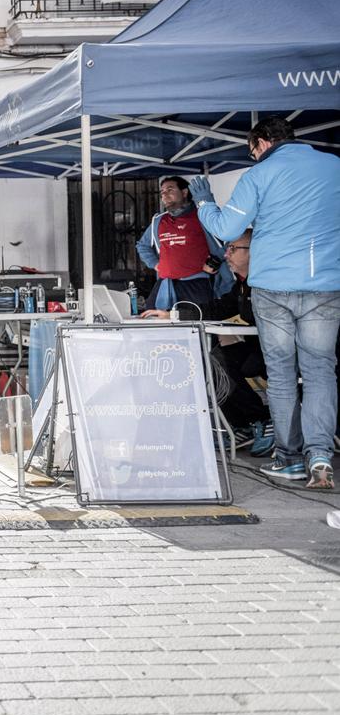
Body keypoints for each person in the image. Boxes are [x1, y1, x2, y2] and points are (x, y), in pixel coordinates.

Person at [191, 116, 340, 490]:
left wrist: (205, 202)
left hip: (273, 285)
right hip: (325, 282)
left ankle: (289, 459)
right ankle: (320, 453)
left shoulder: (259, 174)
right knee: (321, 371)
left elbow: (225, 229)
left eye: (251, 150)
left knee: (282, 373)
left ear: (260, 143)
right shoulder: (335, 166)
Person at [143, 230, 273, 455]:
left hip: (276, 351)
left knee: (232, 363)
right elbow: (219, 308)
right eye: (227, 248)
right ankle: (243, 424)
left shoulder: (267, 282)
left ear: (255, 252)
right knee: (213, 361)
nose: (226, 255)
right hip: (257, 347)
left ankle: (263, 420)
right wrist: (173, 314)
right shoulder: (241, 284)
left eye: (233, 249)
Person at [135, 176, 229, 315]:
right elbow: (142, 245)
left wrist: (215, 260)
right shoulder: (159, 220)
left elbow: (229, 240)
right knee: (153, 324)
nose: (164, 195)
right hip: (165, 285)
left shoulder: (202, 216)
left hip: (196, 284)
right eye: (162, 192)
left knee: (196, 325)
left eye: (170, 190)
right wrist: (155, 264)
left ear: (184, 192)